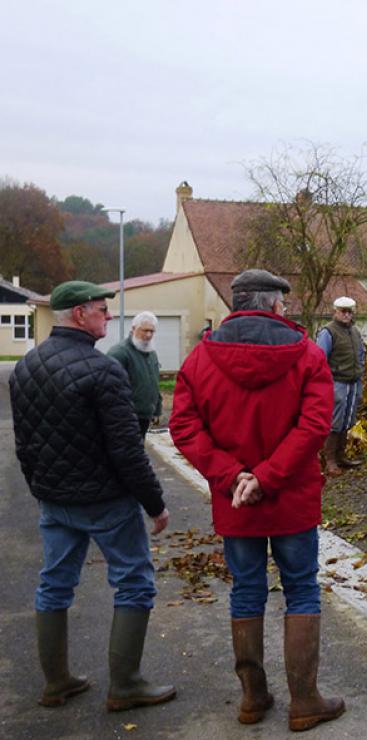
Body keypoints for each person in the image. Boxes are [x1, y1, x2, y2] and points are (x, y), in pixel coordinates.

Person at [169, 269, 343, 731]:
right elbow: (315, 426)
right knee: (301, 589)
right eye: (283, 304)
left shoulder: (200, 359)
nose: (286, 310)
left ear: (236, 304)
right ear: (273, 305)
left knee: (246, 590)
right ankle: (304, 700)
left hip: (237, 501)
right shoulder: (306, 355)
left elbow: (184, 428)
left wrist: (234, 477)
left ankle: (253, 697)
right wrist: (267, 478)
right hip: (290, 497)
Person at [9, 280, 175, 712]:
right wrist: (154, 504)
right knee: (135, 582)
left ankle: (57, 681)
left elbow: (24, 443)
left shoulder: (26, 367)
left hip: (54, 499)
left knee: (54, 583)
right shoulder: (103, 371)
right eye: (103, 309)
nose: (108, 317)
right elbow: (125, 449)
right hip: (105, 502)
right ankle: (126, 684)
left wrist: (41, 488)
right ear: (81, 314)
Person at [315, 296, 365, 476]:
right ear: (335, 311)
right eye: (343, 311)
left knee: (347, 419)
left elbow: (360, 355)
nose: (346, 315)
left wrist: (360, 372)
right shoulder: (328, 332)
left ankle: (341, 456)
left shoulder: (355, 331)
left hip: (353, 381)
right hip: (336, 382)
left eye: (349, 311)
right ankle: (330, 460)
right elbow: (320, 360)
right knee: (334, 421)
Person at [107, 311, 163, 437]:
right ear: (133, 329)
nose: (148, 335)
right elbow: (110, 389)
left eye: (152, 331)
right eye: (144, 330)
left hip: (145, 417)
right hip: (126, 419)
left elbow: (153, 382)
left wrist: (157, 409)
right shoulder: (120, 353)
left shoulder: (151, 353)